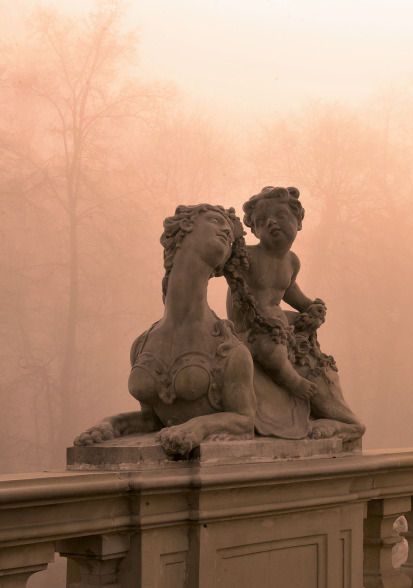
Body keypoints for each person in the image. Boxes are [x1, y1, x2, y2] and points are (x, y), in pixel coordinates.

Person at [74, 204, 256, 457]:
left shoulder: (229, 350)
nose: (226, 229)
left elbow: (245, 421)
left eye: (228, 227)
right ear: (184, 228)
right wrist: (112, 423)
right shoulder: (142, 344)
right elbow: (154, 420)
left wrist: (199, 426)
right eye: (216, 220)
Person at [226, 186, 323, 402]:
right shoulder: (248, 256)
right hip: (249, 323)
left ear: (298, 222)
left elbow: (288, 289)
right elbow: (225, 266)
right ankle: (291, 380)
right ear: (254, 231)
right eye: (261, 221)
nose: (270, 222)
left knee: (303, 322)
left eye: (280, 216)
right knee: (270, 344)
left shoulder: (292, 261)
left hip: (275, 318)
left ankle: (310, 367)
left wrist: (308, 306)